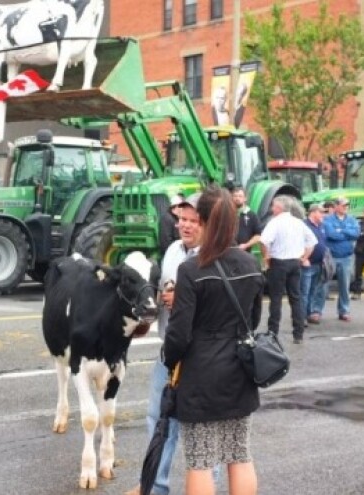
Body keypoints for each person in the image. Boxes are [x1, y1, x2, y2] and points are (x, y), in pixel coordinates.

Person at [163, 187, 264, 495]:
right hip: (239, 371)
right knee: (239, 454)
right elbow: (254, 319)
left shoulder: (192, 270)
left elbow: (178, 334)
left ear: (205, 222)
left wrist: (169, 362)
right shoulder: (250, 264)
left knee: (201, 461)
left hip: (200, 374)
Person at [126, 193, 205, 495]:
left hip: (198, 355)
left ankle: (203, 487)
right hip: (168, 351)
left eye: (192, 221)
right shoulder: (172, 250)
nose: (184, 226)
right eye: (181, 220)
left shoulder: (213, 256)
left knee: (199, 428)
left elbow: (218, 306)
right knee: (158, 420)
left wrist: (183, 299)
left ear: (207, 224)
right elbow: (161, 292)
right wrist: (149, 319)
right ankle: (155, 486)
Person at [259, 196, 317, 344]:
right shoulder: (298, 222)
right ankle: (298, 334)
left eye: (273, 206)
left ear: (279, 208)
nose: (272, 209)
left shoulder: (275, 222)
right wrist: (304, 257)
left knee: (276, 299)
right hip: (295, 262)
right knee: (295, 298)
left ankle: (273, 332)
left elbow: (264, 241)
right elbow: (312, 241)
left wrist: (266, 257)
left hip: (279, 263)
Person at [323, 197, 360, 321]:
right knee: (323, 285)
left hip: (346, 257)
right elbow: (331, 234)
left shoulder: (352, 219)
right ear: (336, 206)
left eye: (347, 205)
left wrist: (341, 230)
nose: (346, 207)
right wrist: (346, 234)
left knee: (344, 286)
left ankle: (344, 311)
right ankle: (316, 310)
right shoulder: (328, 219)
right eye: (344, 205)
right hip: (331, 258)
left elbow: (356, 233)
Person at [301, 203, 328, 326]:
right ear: (313, 212)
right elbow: (299, 242)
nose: (323, 214)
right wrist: (303, 258)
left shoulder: (321, 225)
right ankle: (301, 317)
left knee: (312, 291)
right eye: (321, 212)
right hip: (307, 264)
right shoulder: (304, 225)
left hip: (318, 264)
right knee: (304, 292)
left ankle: (308, 313)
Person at [232, 188, 261, 252]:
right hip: (229, 253)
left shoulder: (252, 215)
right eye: (235, 196)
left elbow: (258, 235)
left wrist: (246, 245)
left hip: (245, 253)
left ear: (245, 198)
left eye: (240, 196)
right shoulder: (227, 214)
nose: (237, 198)